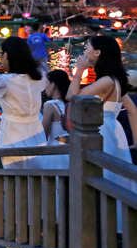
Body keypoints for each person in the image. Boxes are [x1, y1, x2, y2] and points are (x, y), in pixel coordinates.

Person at [67, 35, 135, 195]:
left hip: (101, 130)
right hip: (114, 130)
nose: (84, 50)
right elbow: (133, 110)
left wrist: (79, 72)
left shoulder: (106, 81)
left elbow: (72, 96)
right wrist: (135, 144)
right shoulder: (115, 81)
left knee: (102, 175)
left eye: (87, 47)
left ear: (97, 52)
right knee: (115, 179)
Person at [0, 37, 47, 169]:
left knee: (15, 173)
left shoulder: (4, 81)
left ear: (6, 55)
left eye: (0, 54)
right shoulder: (38, 76)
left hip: (13, 131)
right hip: (35, 128)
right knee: (38, 170)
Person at [43, 69, 70, 146]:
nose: (45, 86)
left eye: (46, 82)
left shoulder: (50, 105)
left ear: (52, 85)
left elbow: (44, 134)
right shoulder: (71, 104)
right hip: (70, 151)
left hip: (55, 151)